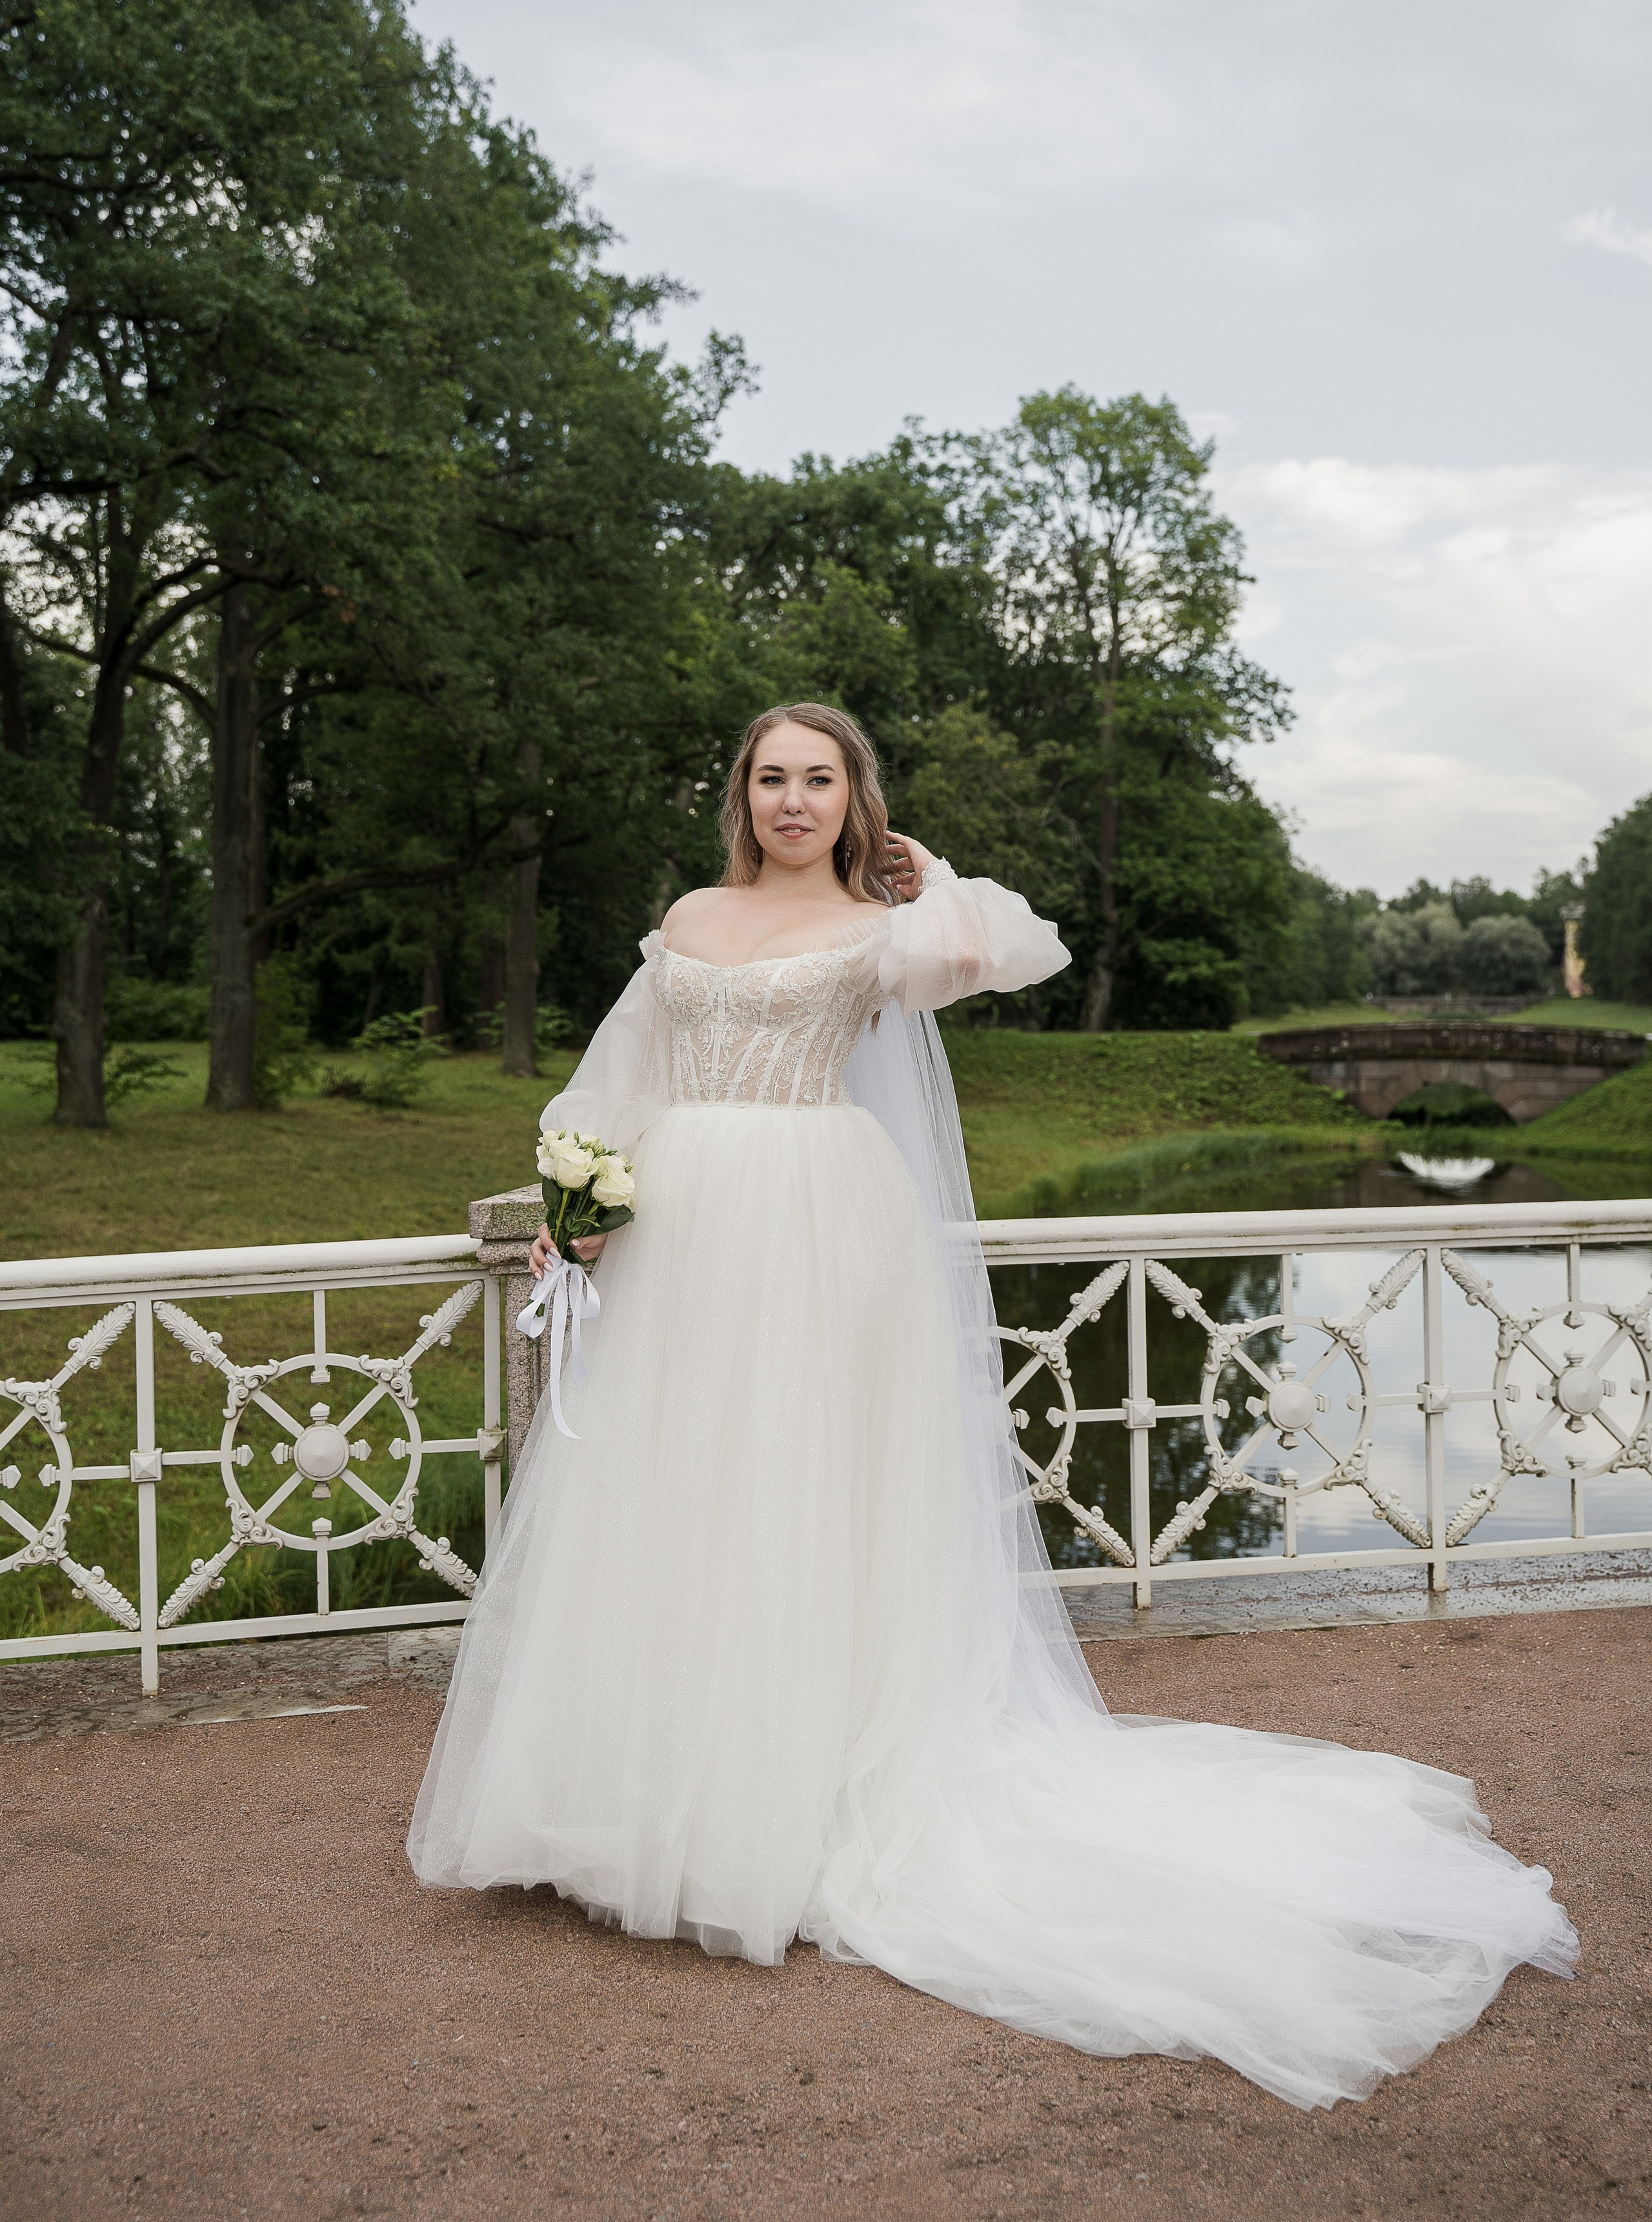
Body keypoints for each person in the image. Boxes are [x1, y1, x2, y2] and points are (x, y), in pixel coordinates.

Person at [408, 701, 1576, 2111]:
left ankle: (781, 1810)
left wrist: (921, 869)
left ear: (853, 797)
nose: (790, 802)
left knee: (805, 1491)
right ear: (740, 794)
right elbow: (627, 1071)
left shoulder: (887, 920)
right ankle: (636, 1801)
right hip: (683, 1236)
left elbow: (998, 949)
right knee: (677, 1498)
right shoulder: (691, 912)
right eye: (770, 779)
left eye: (817, 781)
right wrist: (572, 1199)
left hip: (818, 1218)